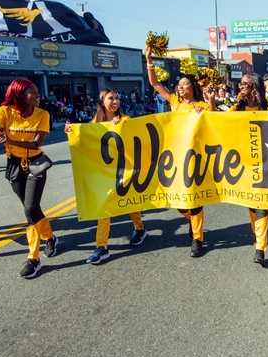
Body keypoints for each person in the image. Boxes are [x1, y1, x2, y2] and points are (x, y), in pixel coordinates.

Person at [145, 47, 215, 257]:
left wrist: (209, 102)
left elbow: (214, 122)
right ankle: (193, 222)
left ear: (193, 87)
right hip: (174, 156)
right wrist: (149, 59)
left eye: (185, 84)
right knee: (177, 199)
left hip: (196, 157)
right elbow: (155, 84)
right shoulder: (174, 101)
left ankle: (198, 238)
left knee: (195, 198)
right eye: (179, 84)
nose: (181, 86)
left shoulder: (201, 105)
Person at [0, 79, 58, 279]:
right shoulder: (4, 112)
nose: (38, 95)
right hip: (14, 165)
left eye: (37, 92)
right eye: (32, 92)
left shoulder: (42, 114)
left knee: (29, 209)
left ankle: (33, 258)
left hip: (36, 164)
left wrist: (10, 140)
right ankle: (50, 237)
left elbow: (36, 144)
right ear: (19, 94)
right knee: (33, 209)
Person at [76, 88, 147, 265]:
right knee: (104, 209)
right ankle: (102, 247)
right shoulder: (95, 123)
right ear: (101, 103)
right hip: (105, 174)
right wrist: (72, 131)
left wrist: (121, 127)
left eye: (116, 98)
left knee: (129, 202)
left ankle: (140, 229)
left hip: (125, 171)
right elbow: (84, 140)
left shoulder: (126, 120)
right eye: (110, 98)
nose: (115, 101)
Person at [231, 73, 268, 265]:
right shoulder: (236, 108)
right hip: (244, 163)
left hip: (265, 163)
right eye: (240, 84)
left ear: (254, 87)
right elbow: (217, 123)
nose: (241, 86)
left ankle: (260, 248)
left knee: (261, 205)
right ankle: (258, 234)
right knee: (251, 204)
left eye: (245, 84)